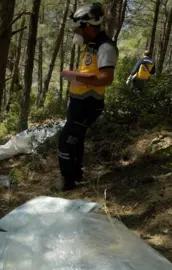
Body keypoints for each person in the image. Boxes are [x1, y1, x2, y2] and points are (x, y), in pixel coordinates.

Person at [58, 2, 118, 191]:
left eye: (78, 28)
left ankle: (67, 183)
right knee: (77, 138)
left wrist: (76, 76)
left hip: (88, 104)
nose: (75, 32)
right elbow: (90, 71)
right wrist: (77, 76)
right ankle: (76, 174)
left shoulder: (106, 46)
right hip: (79, 102)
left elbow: (106, 78)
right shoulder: (90, 44)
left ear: (88, 26)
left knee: (65, 140)